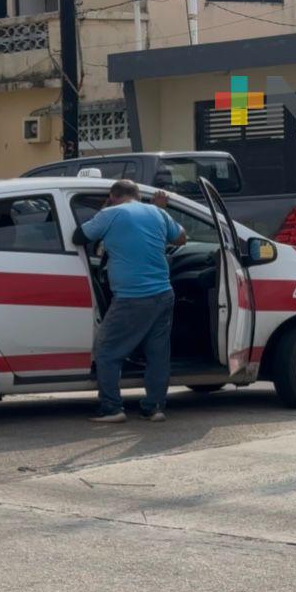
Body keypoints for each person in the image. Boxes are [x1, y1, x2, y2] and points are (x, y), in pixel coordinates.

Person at [72, 180, 187, 423]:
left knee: (106, 351)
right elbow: (181, 239)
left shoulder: (110, 213)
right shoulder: (157, 212)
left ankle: (111, 408)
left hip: (132, 297)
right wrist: (161, 210)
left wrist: (105, 209)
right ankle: (154, 408)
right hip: (163, 294)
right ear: (137, 195)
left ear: (113, 196)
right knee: (157, 353)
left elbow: (79, 236)